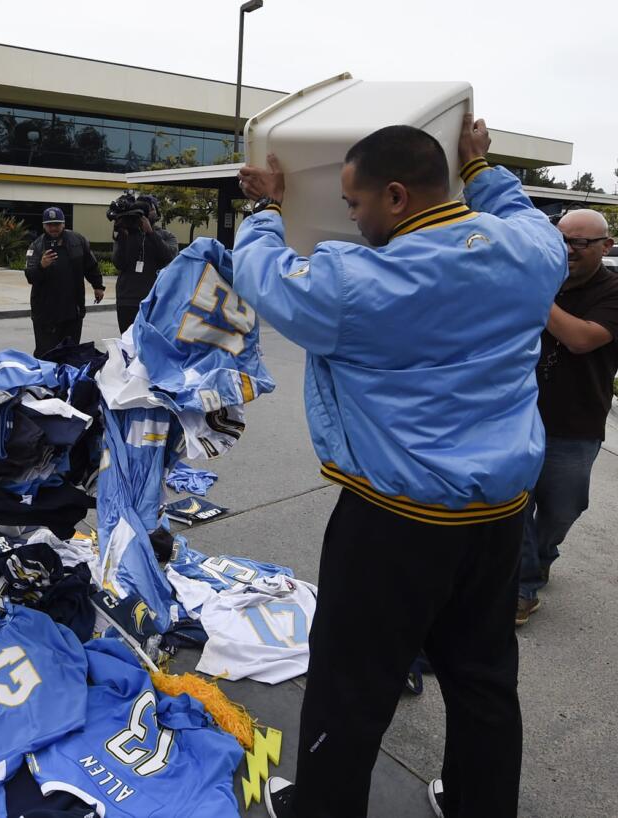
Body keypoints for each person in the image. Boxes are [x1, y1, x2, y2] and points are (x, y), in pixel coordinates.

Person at [230, 117, 566, 818]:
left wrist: (265, 209)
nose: (349, 215)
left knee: (352, 680)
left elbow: (262, 276)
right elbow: (515, 210)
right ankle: (479, 804)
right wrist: (481, 166)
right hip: (500, 517)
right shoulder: (534, 254)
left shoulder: (354, 282)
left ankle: (326, 808)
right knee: (483, 676)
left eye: (353, 204)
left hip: (396, 523)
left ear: (394, 196)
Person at [515, 210, 618, 625]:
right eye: (561, 240)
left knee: (561, 510)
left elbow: (580, 338)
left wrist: (534, 296)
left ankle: (542, 554)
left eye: (579, 243)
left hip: (575, 422)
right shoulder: (541, 279)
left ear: (606, 247)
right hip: (516, 417)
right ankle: (522, 587)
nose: (567, 250)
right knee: (515, 505)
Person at [23, 206, 104, 356]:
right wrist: (41, 266)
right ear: (44, 225)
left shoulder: (78, 241)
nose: (53, 228)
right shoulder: (36, 246)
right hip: (45, 312)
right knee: (46, 353)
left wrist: (98, 286)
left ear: (63, 224)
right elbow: (30, 276)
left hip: (72, 309)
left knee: (71, 352)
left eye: (57, 224)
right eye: (49, 224)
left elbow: (91, 265)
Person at [110, 194, 177, 332]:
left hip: (154, 299)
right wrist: (123, 236)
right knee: (128, 344)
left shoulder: (166, 236)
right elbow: (119, 263)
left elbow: (169, 257)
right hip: (127, 299)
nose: (146, 212)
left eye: (150, 209)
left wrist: (151, 234)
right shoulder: (126, 233)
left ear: (156, 212)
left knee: (151, 344)